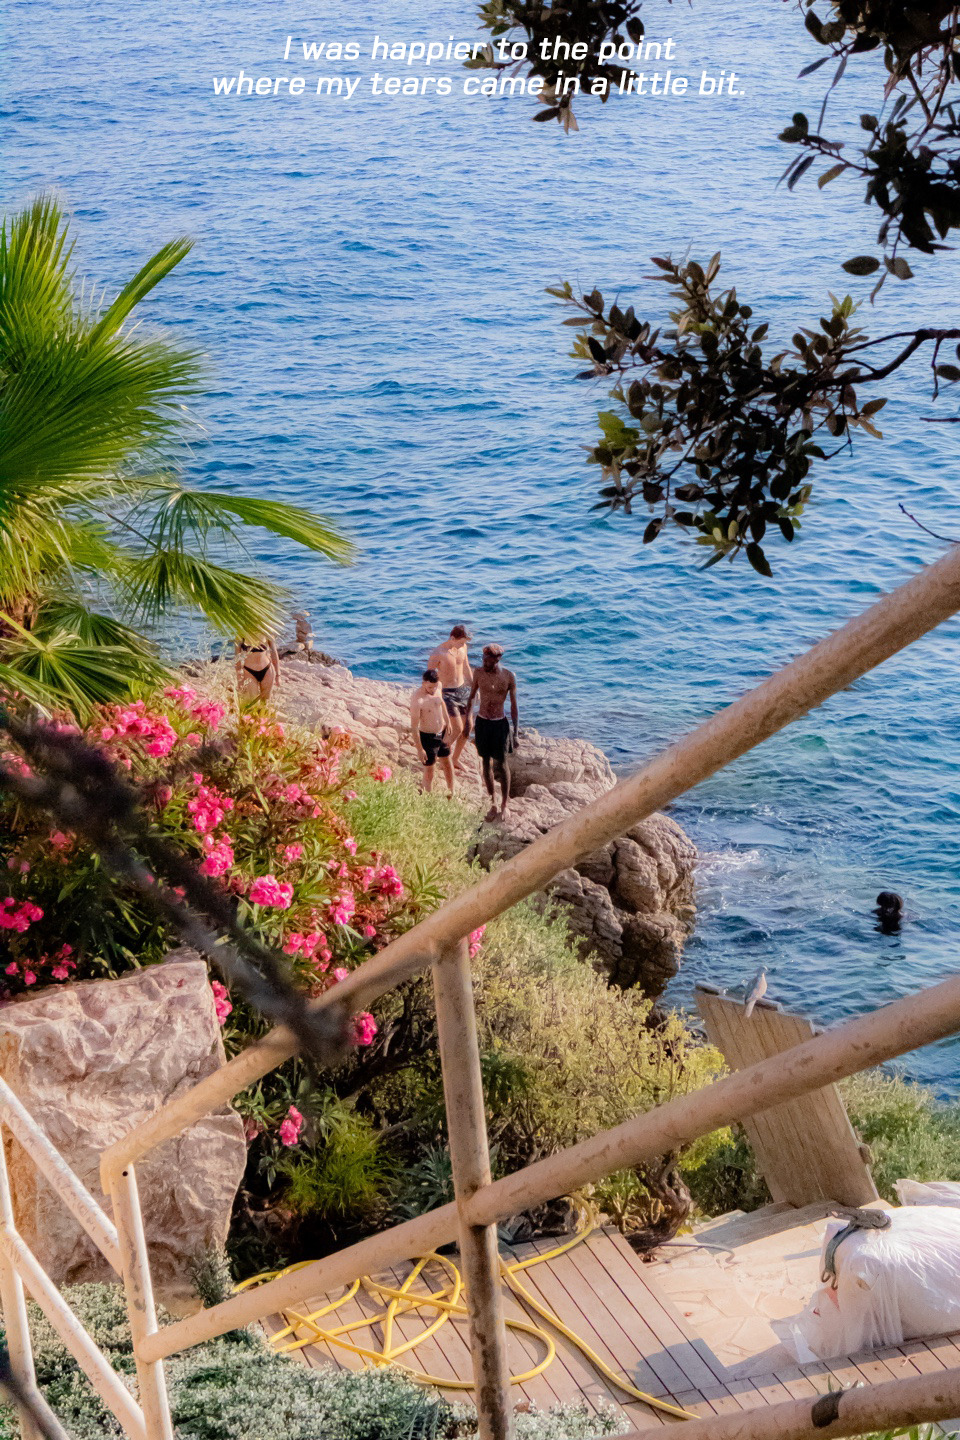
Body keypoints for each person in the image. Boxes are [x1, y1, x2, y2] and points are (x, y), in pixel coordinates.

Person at [463, 643, 518, 821]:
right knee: (485, 762)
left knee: (502, 763)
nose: (484, 663)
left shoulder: (508, 676)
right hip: (483, 722)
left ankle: (505, 805)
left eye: (487, 660)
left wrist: (516, 732)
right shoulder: (478, 673)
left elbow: (514, 706)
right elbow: (472, 697)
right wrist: (468, 721)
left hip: (500, 724)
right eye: (483, 659)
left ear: (497, 659)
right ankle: (493, 802)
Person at [428, 624, 473, 768]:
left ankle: (455, 759)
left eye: (464, 643)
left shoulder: (463, 648)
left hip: (462, 690)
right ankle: (438, 756)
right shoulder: (438, 653)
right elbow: (429, 676)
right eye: (461, 642)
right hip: (447, 693)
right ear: (452, 638)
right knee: (457, 728)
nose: (462, 645)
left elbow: (466, 667)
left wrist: (474, 688)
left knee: (468, 728)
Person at [409, 668, 455, 797]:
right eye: (430, 687)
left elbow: (441, 702)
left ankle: (451, 793)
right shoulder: (418, 700)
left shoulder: (438, 686)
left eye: (434, 687)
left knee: (447, 762)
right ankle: (428, 798)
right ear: (423, 683)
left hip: (442, 732)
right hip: (428, 737)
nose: (433, 690)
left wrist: (448, 721)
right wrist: (419, 749)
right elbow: (414, 727)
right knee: (430, 770)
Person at [236, 634, 281, 703]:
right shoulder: (241, 632)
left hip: (267, 670)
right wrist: (239, 679)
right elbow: (237, 658)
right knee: (253, 702)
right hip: (249, 672)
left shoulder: (266, 631)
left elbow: (274, 653)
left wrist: (278, 675)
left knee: (265, 702)